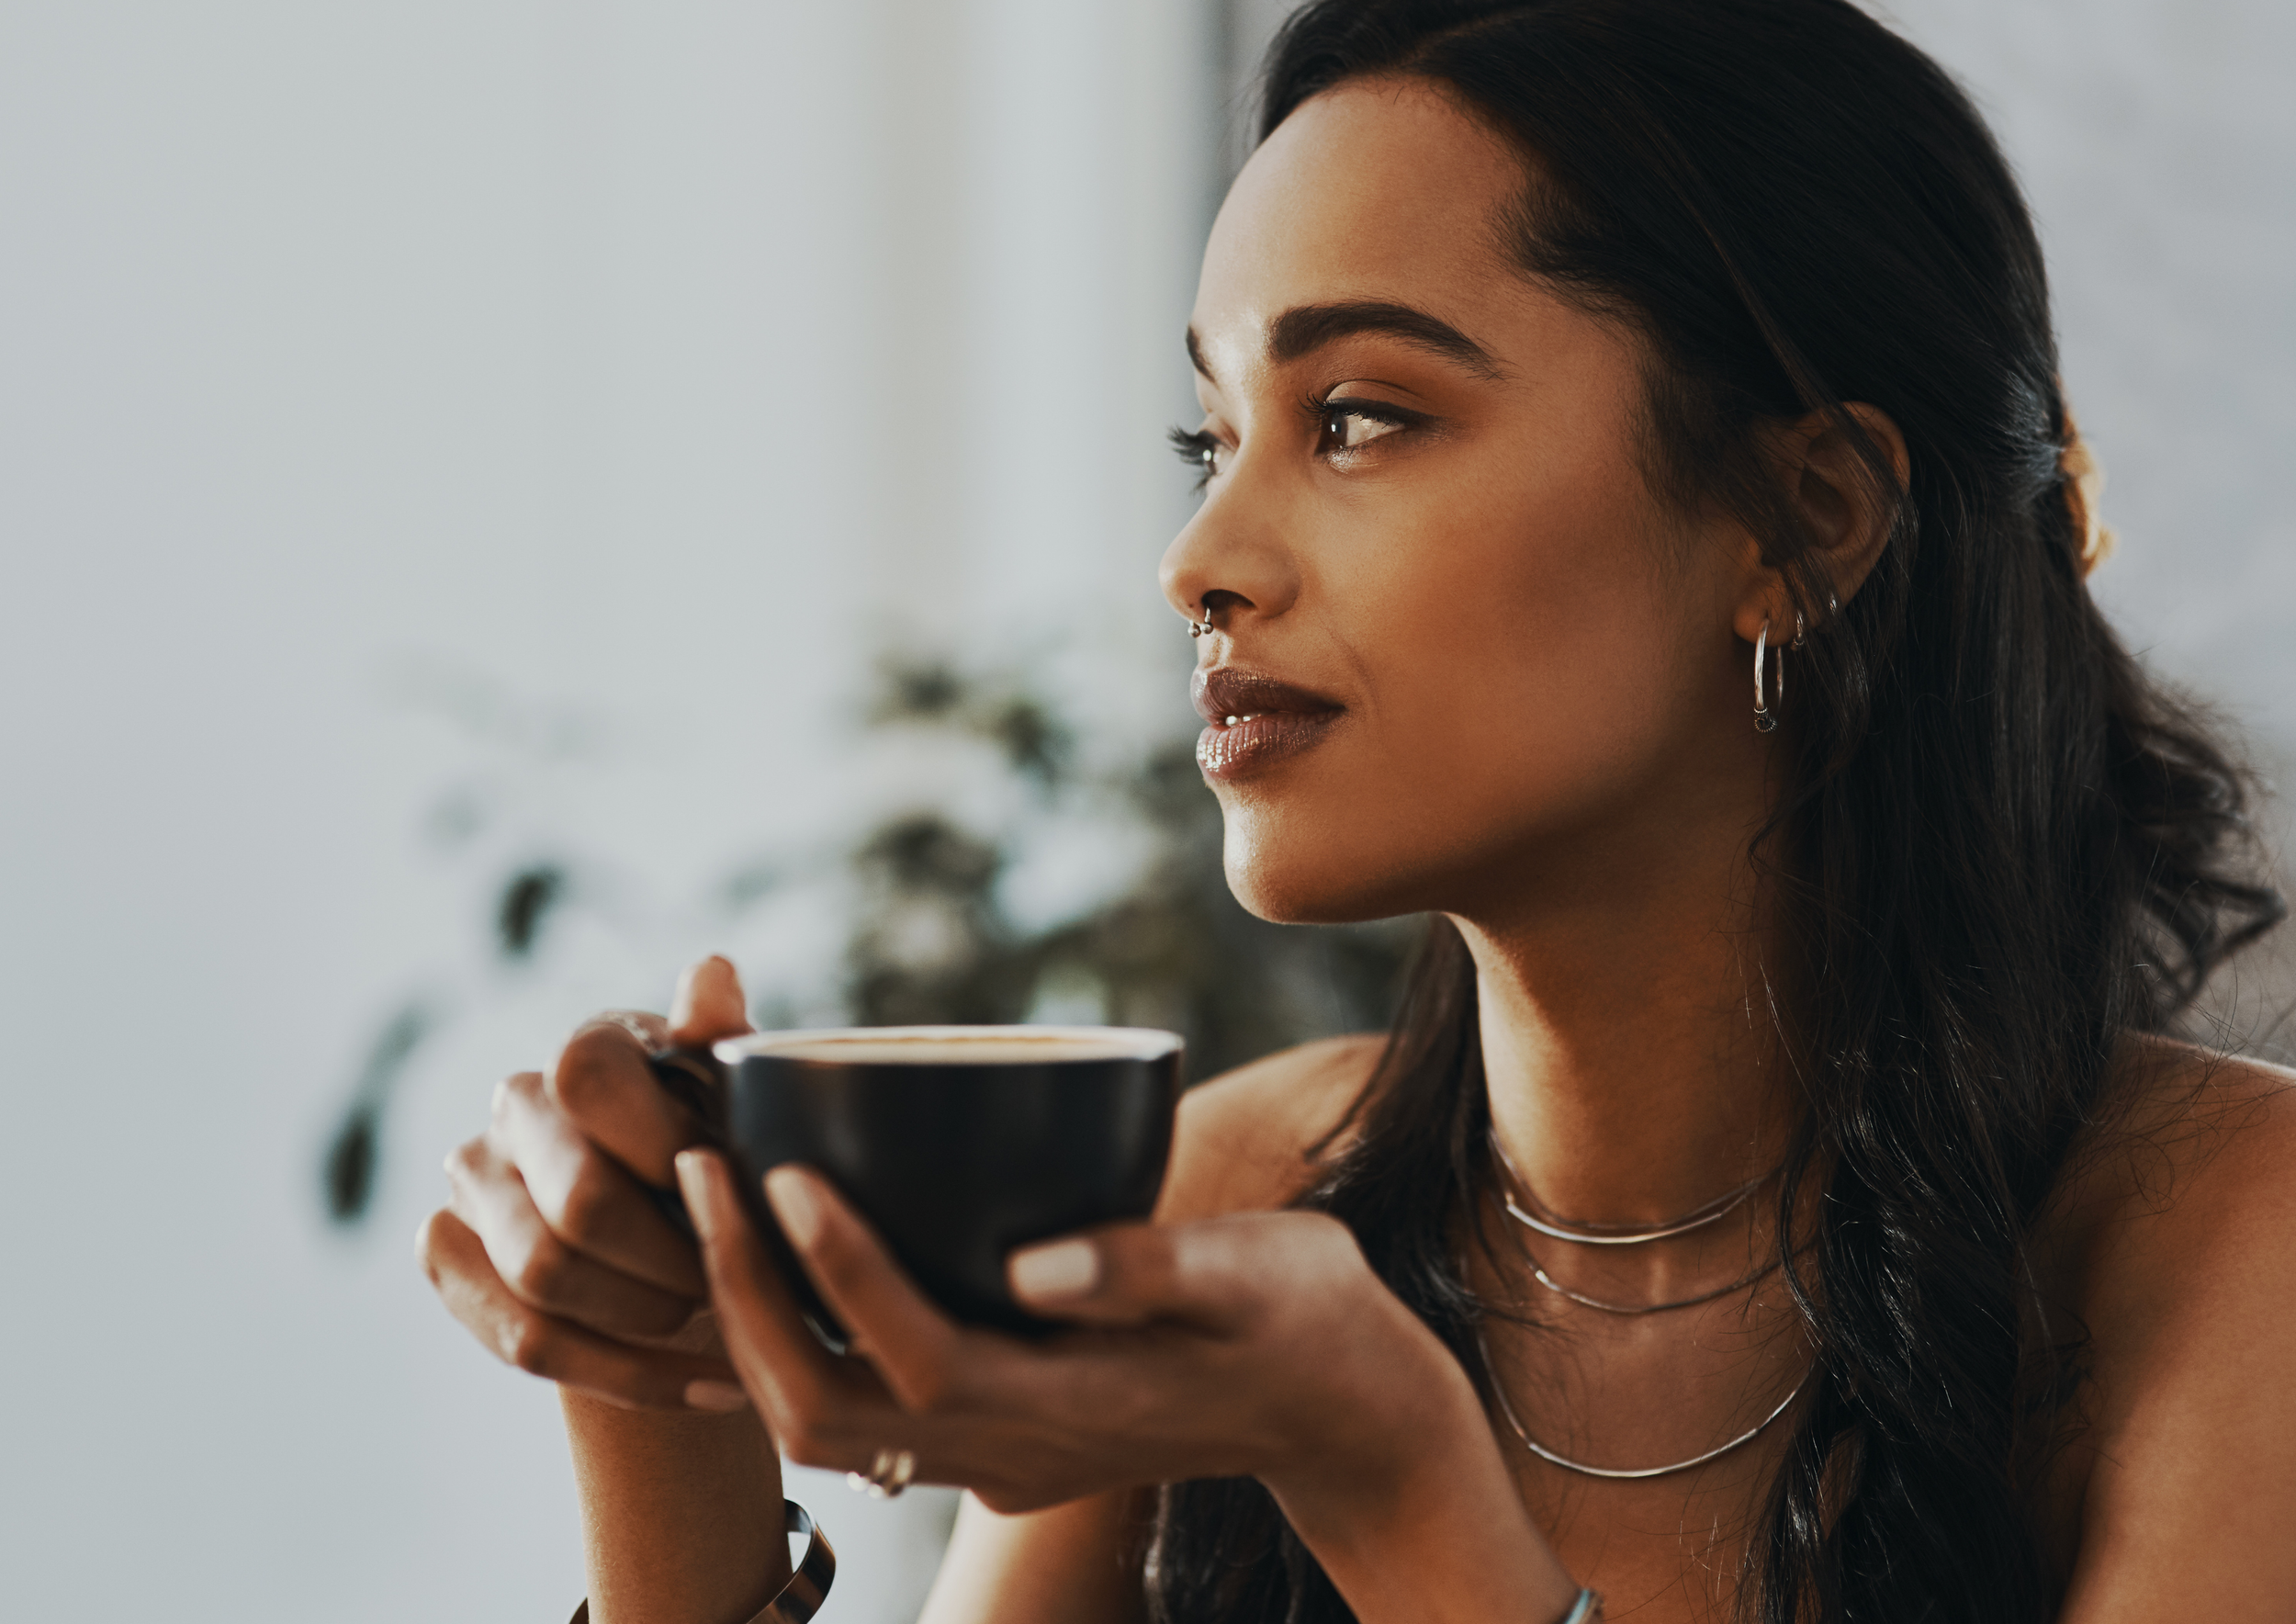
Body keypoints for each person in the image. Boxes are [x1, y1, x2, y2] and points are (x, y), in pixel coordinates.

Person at [418, 1, 2296, 1618]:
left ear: (1801, 523)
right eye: (1209, 439)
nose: (1198, 559)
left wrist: (1392, 1476)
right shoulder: (1224, 1186)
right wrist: (663, 1408)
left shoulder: (2230, 1251)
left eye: (1358, 417)